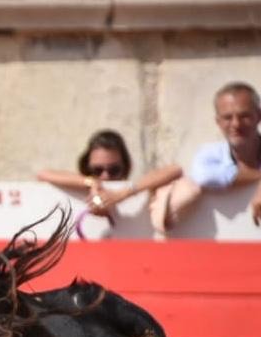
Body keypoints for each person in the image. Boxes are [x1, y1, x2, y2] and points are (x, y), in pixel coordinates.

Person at [148, 82, 261, 234]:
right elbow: (203, 177)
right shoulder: (209, 154)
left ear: (258, 116)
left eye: (244, 116)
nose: (236, 124)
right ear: (218, 122)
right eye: (228, 117)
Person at [37, 129, 183, 226]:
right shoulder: (89, 183)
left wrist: (122, 194)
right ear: (87, 167)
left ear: (126, 167)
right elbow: (43, 174)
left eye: (114, 170)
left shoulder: (131, 190)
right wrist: (90, 182)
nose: (105, 176)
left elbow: (175, 170)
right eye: (97, 170)